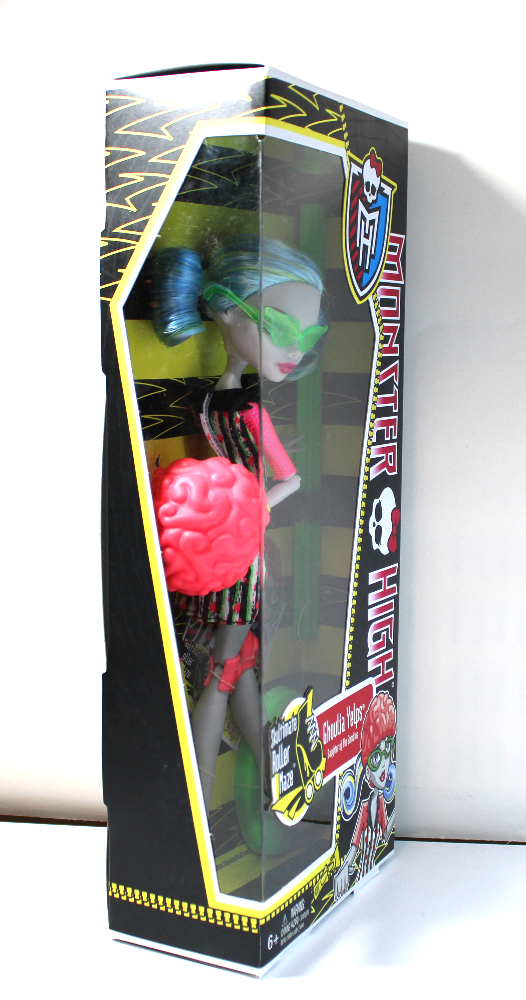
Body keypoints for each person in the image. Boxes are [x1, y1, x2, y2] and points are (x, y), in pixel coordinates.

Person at [151, 235, 326, 814]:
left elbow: (287, 480)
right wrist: (244, 509)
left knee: (235, 665)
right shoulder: (237, 407)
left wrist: (248, 508)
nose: (295, 350)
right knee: (225, 672)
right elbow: (285, 477)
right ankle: (201, 804)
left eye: (308, 338)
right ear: (226, 310)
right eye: (280, 328)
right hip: (230, 553)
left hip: (231, 546)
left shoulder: (221, 404)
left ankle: (268, 788)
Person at [333, 691, 396, 899]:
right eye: (377, 758)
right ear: (367, 769)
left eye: (388, 752)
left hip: (373, 875)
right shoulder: (364, 809)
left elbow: (385, 835)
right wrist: (344, 868)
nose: (384, 764)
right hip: (361, 874)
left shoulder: (381, 805)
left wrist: (394, 814)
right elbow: (353, 847)